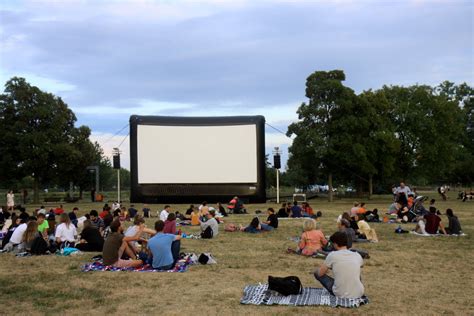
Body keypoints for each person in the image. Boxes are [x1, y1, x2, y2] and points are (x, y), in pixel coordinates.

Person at [313, 231, 364, 298]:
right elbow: (361, 265)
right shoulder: (357, 255)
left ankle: (340, 287)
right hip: (359, 293)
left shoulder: (332, 255)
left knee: (316, 273)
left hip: (340, 293)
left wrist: (330, 266)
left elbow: (320, 274)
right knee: (356, 271)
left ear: (336, 244)